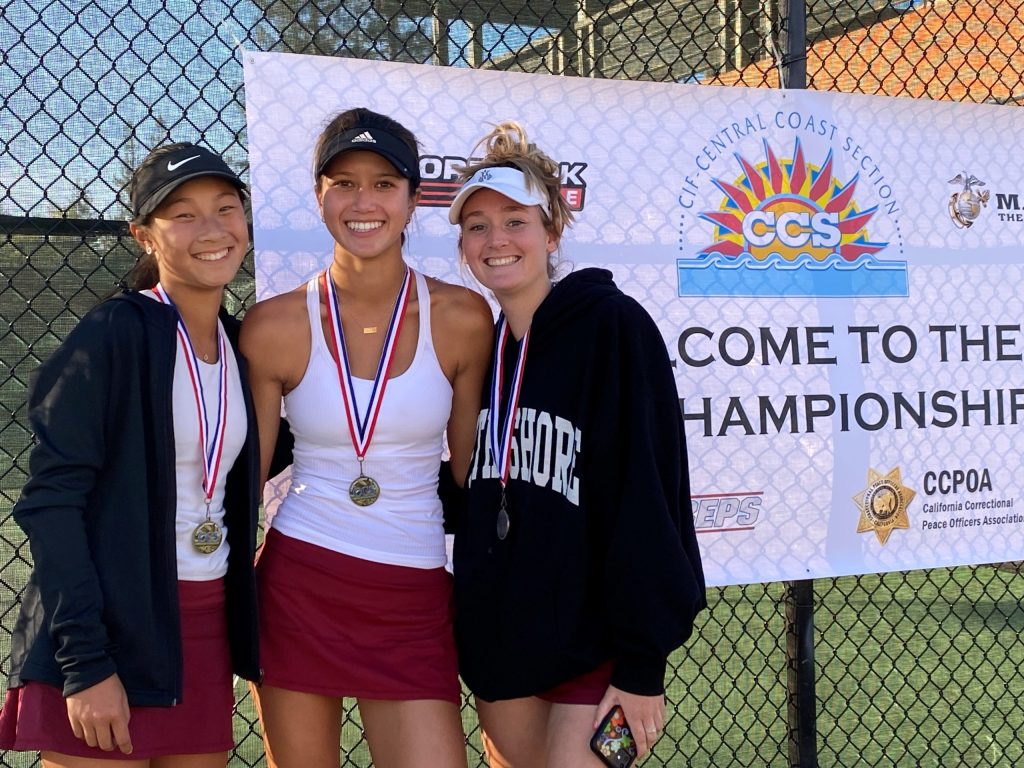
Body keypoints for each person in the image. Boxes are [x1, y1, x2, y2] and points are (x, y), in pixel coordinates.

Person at [448, 122, 707, 767]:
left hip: (605, 657)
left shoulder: (613, 327)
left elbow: (650, 494)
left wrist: (643, 667)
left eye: (515, 220)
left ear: (552, 233)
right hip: (504, 653)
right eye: (476, 226)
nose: (496, 240)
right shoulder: (480, 349)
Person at [240, 107, 492, 768]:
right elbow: (240, 485)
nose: (364, 201)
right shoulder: (272, 326)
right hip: (301, 584)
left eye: (384, 184)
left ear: (413, 200)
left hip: (412, 593)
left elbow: (472, 481)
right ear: (319, 195)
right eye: (344, 182)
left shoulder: (464, 318)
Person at [0, 142, 263, 766]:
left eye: (226, 208)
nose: (212, 230)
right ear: (144, 236)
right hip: (105, 633)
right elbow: (50, 503)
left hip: (202, 631)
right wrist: (86, 663)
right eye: (183, 215)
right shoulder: (113, 333)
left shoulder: (241, 342)